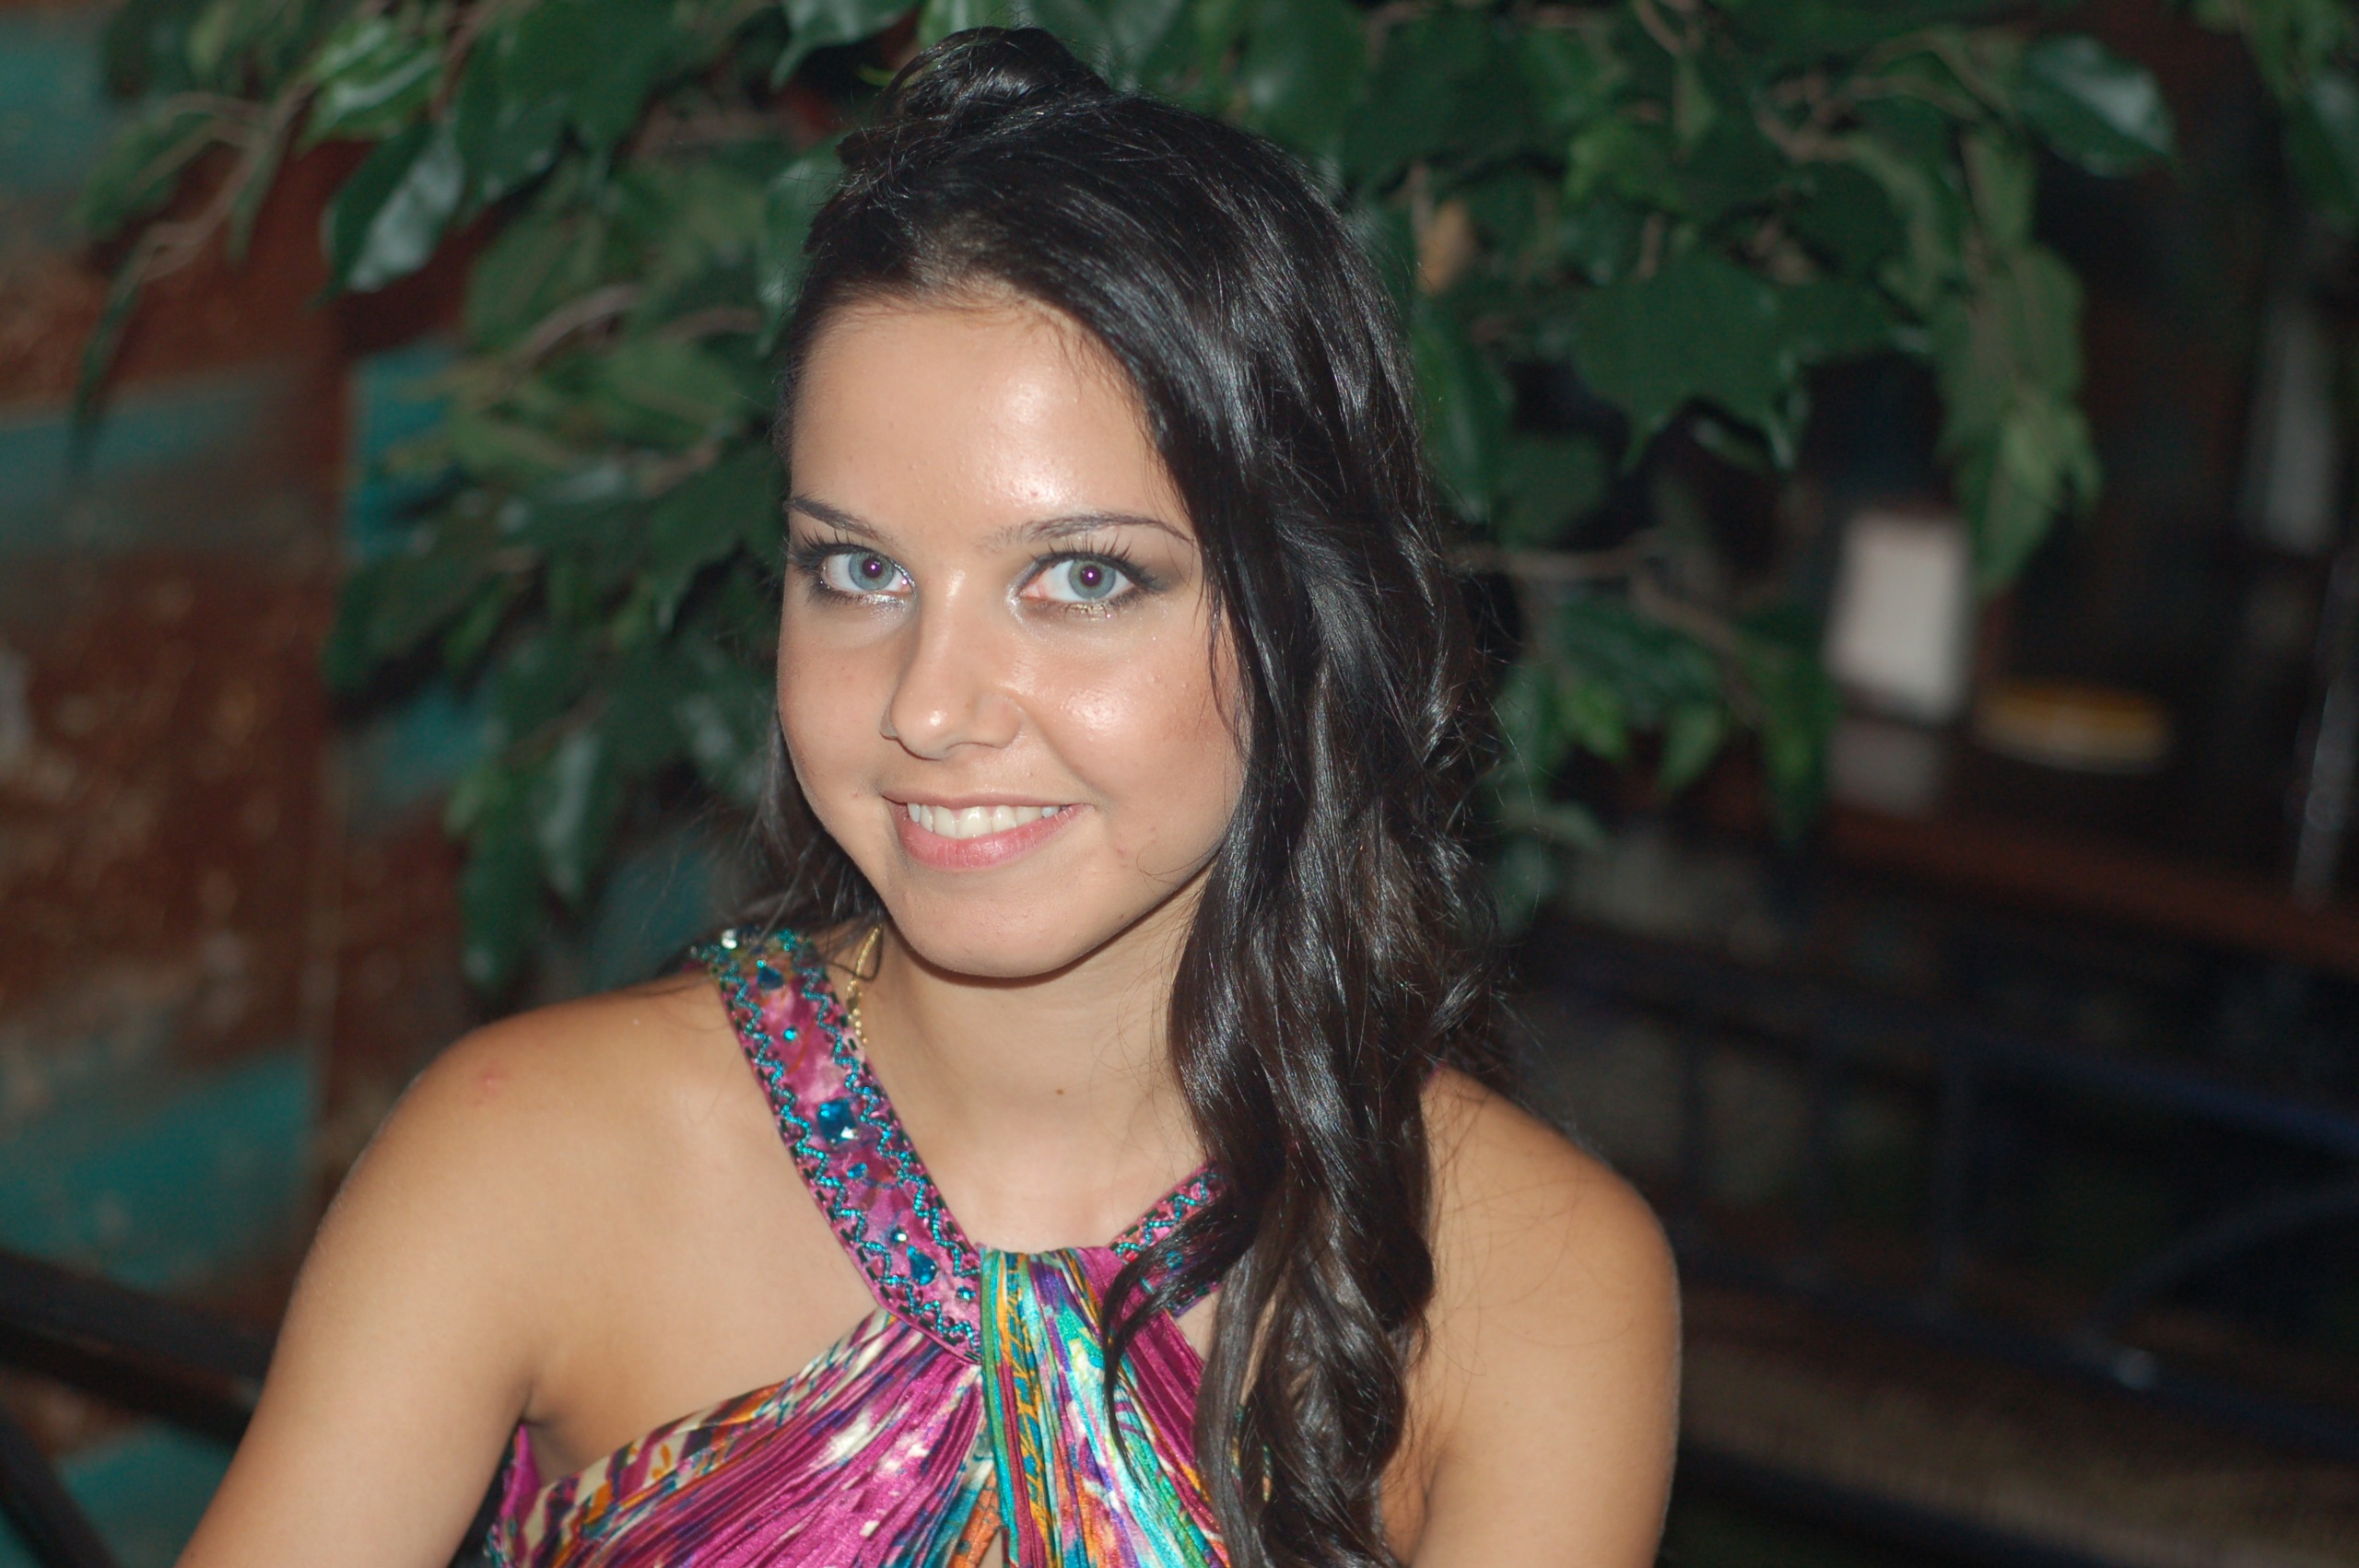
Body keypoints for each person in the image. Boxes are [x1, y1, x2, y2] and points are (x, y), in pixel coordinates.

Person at [179, 28, 1678, 1568]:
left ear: (1314, 615)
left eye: (1080, 578)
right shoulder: (531, 1159)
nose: (927, 705)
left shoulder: (1535, 1280)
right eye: (859, 569)